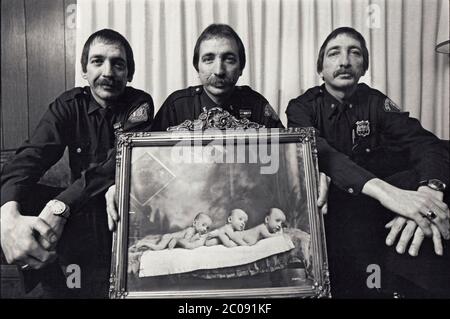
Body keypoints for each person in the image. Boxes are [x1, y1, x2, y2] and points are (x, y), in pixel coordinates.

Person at [286, 27, 450, 298]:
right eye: (334, 53)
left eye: (355, 53)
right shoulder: (301, 107)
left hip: (380, 215)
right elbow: (319, 152)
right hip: (334, 214)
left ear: (364, 67)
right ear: (321, 68)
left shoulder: (375, 102)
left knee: (421, 191)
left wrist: (429, 193)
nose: (344, 61)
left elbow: (425, 144)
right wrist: (393, 196)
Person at [0, 29, 154, 298]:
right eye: (97, 61)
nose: (108, 72)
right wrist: (6, 215)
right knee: (17, 199)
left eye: (118, 64)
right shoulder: (68, 105)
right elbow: (29, 159)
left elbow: (116, 164)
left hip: (119, 212)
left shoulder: (140, 104)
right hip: (78, 217)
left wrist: (61, 205)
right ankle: (38, 267)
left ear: (129, 74)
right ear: (84, 71)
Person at [151, 23, 284, 132]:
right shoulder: (177, 106)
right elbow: (152, 158)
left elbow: (282, 155)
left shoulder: (257, 105)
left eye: (229, 60)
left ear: (241, 67)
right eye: (208, 59)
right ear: (197, 67)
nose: (219, 71)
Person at [135, 212, 213, 250]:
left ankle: (143, 242)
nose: (205, 229)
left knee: (156, 241)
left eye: (207, 227)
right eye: (203, 225)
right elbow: (185, 241)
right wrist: (195, 238)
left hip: (168, 236)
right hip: (169, 237)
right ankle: (143, 243)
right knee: (159, 247)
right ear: (195, 223)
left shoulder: (193, 231)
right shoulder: (190, 230)